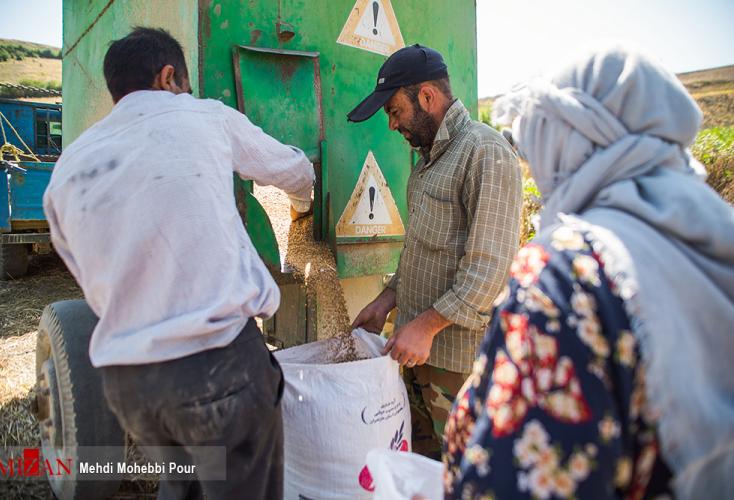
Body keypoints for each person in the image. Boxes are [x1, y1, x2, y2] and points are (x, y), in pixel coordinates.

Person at [443, 46, 734, 499]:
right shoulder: (714, 236)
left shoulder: (566, 272)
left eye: (541, 139)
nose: (536, 167)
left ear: (572, 139)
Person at [43, 27, 314, 499]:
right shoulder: (204, 116)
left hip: (132, 388)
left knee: (183, 483)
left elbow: (84, 275)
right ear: (169, 76)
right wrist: (302, 206)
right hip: (218, 371)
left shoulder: (67, 169)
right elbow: (293, 170)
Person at [348, 44, 522, 459]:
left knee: (464, 471)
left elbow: (488, 272)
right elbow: (423, 251)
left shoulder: (485, 152)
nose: (392, 125)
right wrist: (388, 300)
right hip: (416, 358)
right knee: (423, 473)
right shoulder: (428, 161)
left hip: (457, 364)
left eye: (394, 111)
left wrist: (425, 326)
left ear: (427, 97)